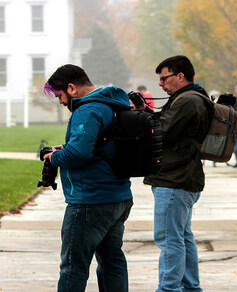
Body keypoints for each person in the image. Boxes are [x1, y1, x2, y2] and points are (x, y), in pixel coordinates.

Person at [43, 64, 133, 292]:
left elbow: (79, 153)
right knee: (112, 261)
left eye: (59, 95)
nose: (61, 102)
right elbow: (100, 145)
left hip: (90, 201)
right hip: (118, 197)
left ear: (71, 88)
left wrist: (54, 157)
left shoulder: (87, 109)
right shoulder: (112, 104)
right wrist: (65, 148)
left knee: (73, 266)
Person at [143, 55, 212, 292]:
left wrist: (141, 119)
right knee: (182, 237)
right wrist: (146, 111)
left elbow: (160, 133)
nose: (160, 84)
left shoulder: (187, 101)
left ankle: (169, 288)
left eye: (164, 79)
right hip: (184, 178)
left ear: (180, 76)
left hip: (174, 179)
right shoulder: (192, 98)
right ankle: (191, 287)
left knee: (169, 239)